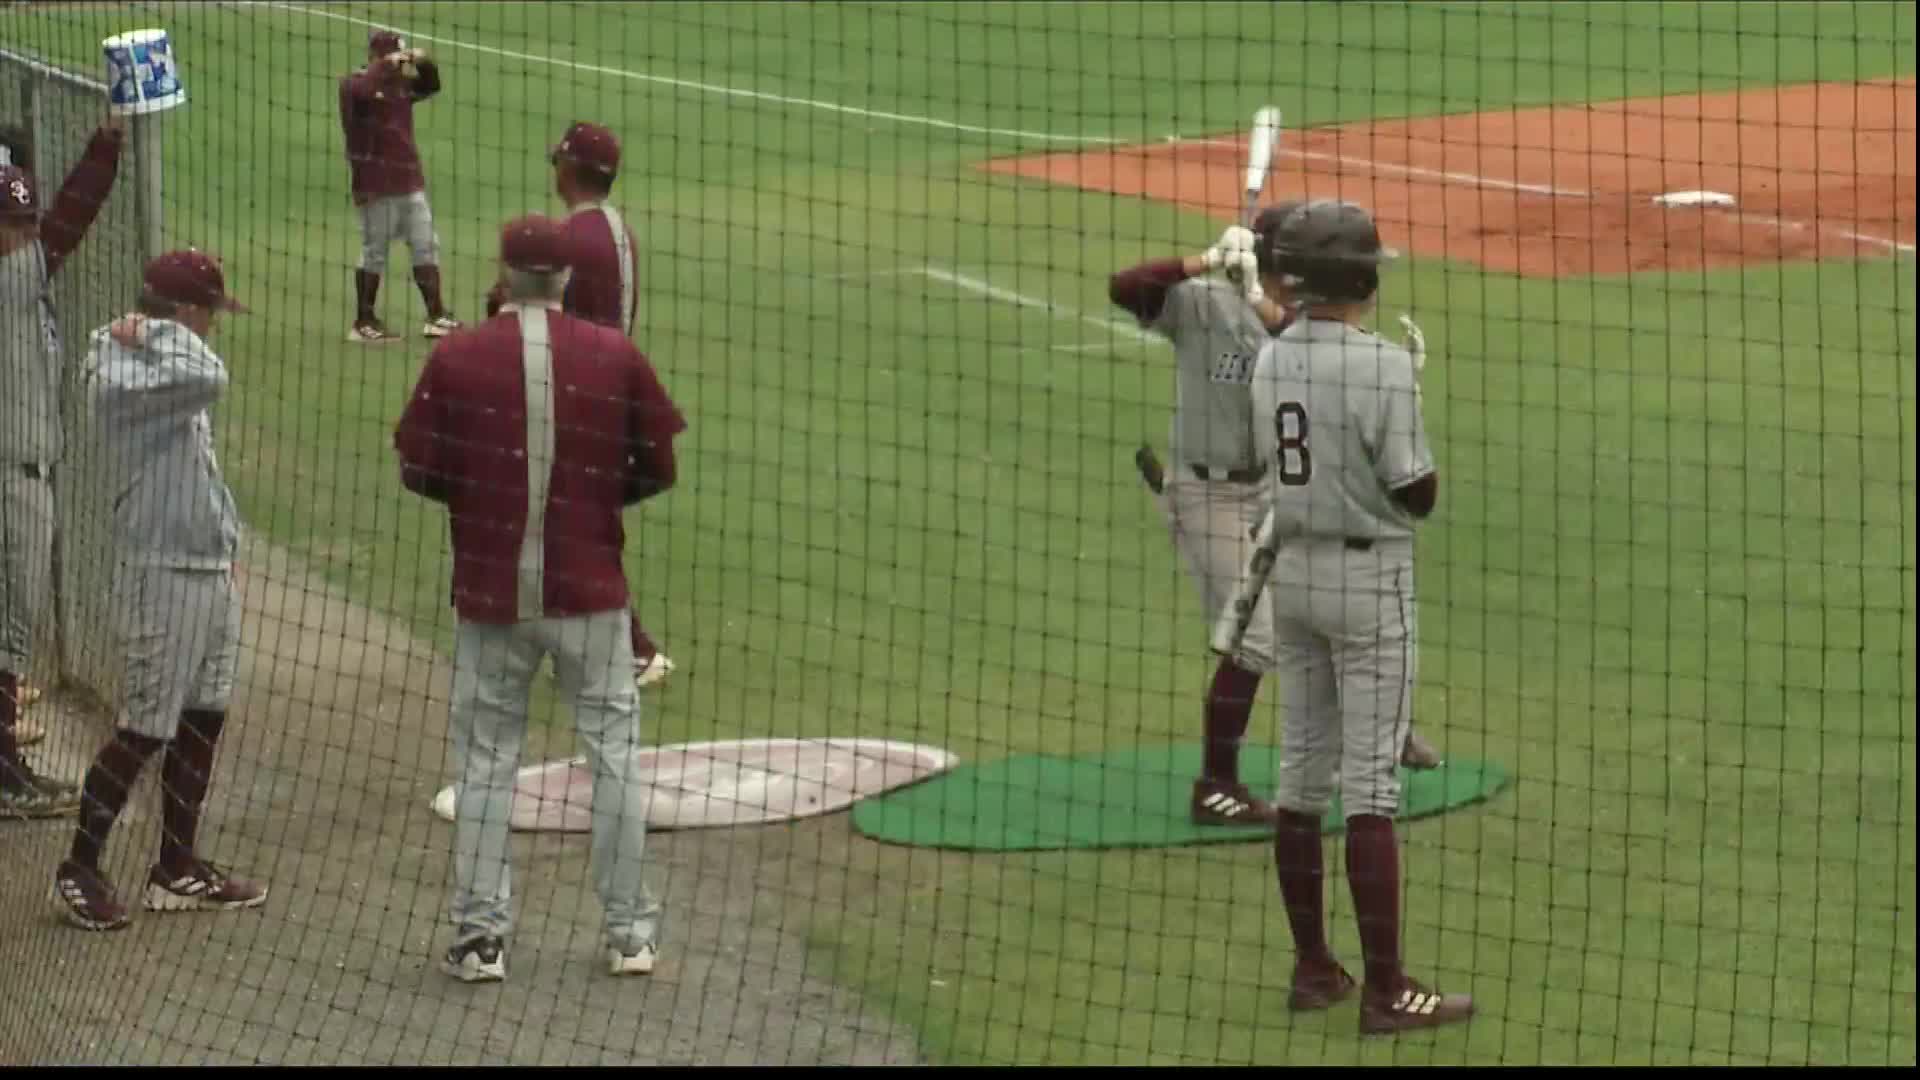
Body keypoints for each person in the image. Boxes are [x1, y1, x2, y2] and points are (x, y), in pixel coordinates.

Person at [396, 214, 686, 982]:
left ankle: (480, 938)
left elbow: (417, 469)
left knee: (487, 763)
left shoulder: (457, 354)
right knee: (614, 758)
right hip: (592, 593)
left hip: (491, 595)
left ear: (503, 271)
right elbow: (658, 466)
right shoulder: (614, 353)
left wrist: (482, 505)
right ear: (564, 279)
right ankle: (630, 935)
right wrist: (593, 507)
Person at [1108, 207, 1442, 828]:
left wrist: (1259, 297)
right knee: (1256, 637)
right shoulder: (1204, 303)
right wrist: (1203, 261)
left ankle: (1370, 738)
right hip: (1207, 494)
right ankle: (1215, 786)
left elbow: (1298, 336)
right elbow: (1124, 288)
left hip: (1273, 490)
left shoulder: (1298, 319)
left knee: (1326, 602)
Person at [1245, 199, 1471, 1033]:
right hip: (1369, 582)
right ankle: (1388, 990)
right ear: (1364, 278)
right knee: (1371, 788)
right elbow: (1418, 495)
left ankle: (1313, 971)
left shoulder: (1272, 357)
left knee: (1302, 781)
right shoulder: (1379, 367)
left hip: (1293, 579)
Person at [52, 249, 268, 931]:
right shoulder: (120, 371)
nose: (216, 328)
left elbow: (196, 468)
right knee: (143, 728)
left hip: (203, 571)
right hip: (159, 575)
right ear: (188, 312)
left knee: (204, 717)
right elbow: (213, 376)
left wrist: (225, 542)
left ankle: (175, 866)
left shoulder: (158, 363)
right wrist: (157, 331)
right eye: (211, 314)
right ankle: (80, 866)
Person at [490, 121, 676, 690]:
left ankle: (637, 650)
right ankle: (584, 645)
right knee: (575, 526)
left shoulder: (568, 240)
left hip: (570, 402)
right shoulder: (617, 231)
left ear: (569, 171)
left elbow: (525, 316)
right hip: (607, 396)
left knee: (572, 529)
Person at [0, 111, 125, 819]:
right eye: (10, 224)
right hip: (8, 477)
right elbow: (67, 225)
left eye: (24, 222)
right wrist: (105, 150)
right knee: (8, 633)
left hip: (20, 470)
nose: (24, 235)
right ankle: (4, 773)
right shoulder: (9, 280)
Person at [338, 28, 458, 344]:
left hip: (409, 182)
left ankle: (436, 315)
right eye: (396, 58)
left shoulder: (402, 88)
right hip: (375, 186)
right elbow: (363, 92)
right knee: (374, 252)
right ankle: (363, 321)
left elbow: (432, 85)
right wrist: (386, 64)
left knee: (425, 244)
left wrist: (425, 61)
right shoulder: (354, 85)